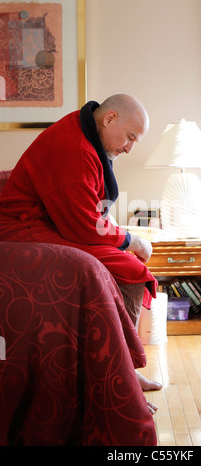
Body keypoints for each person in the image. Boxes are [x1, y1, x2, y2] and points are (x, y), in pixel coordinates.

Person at [0, 94, 162, 413]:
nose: (130, 148)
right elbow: (83, 225)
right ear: (110, 118)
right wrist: (132, 240)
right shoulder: (72, 147)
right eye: (130, 138)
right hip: (22, 228)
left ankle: (124, 372)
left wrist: (115, 229)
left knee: (126, 266)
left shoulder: (87, 133)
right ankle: (120, 379)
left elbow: (89, 204)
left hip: (53, 220)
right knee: (130, 269)